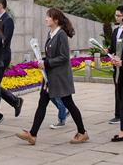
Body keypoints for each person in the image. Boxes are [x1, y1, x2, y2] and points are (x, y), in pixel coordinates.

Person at [16, 8, 89, 145]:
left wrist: (46, 62)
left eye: (48, 17)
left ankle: (82, 132)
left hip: (59, 77)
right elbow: (52, 55)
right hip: (50, 76)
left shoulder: (60, 34)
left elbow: (63, 57)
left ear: (55, 20)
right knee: (42, 103)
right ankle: (32, 134)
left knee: (69, 103)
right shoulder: (52, 33)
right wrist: (42, 60)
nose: (46, 19)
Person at [0, 0, 24, 122]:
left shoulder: (7, 20)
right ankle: (15, 101)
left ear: (0, 5)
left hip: (2, 57)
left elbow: (5, 40)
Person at [107, 5, 123, 124]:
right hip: (116, 64)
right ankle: (118, 114)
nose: (116, 17)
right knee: (117, 89)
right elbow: (112, 48)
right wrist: (108, 52)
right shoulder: (116, 30)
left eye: (118, 15)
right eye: (115, 15)